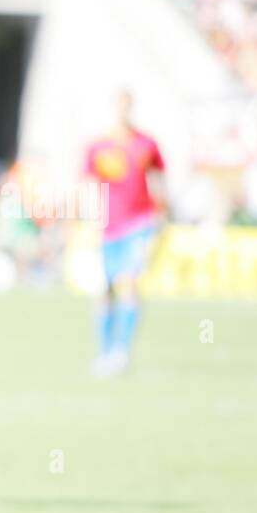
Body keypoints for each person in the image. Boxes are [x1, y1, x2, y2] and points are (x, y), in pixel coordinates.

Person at [82, 89, 166, 376]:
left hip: (139, 224)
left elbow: (158, 180)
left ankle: (121, 352)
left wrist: (159, 218)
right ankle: (104, 352)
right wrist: (90, 221)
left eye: (127, 106)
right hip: (108, 227)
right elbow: (90, 186)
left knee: (129, 283)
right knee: (104, 290)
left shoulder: (146, 144)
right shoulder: (98, 147)